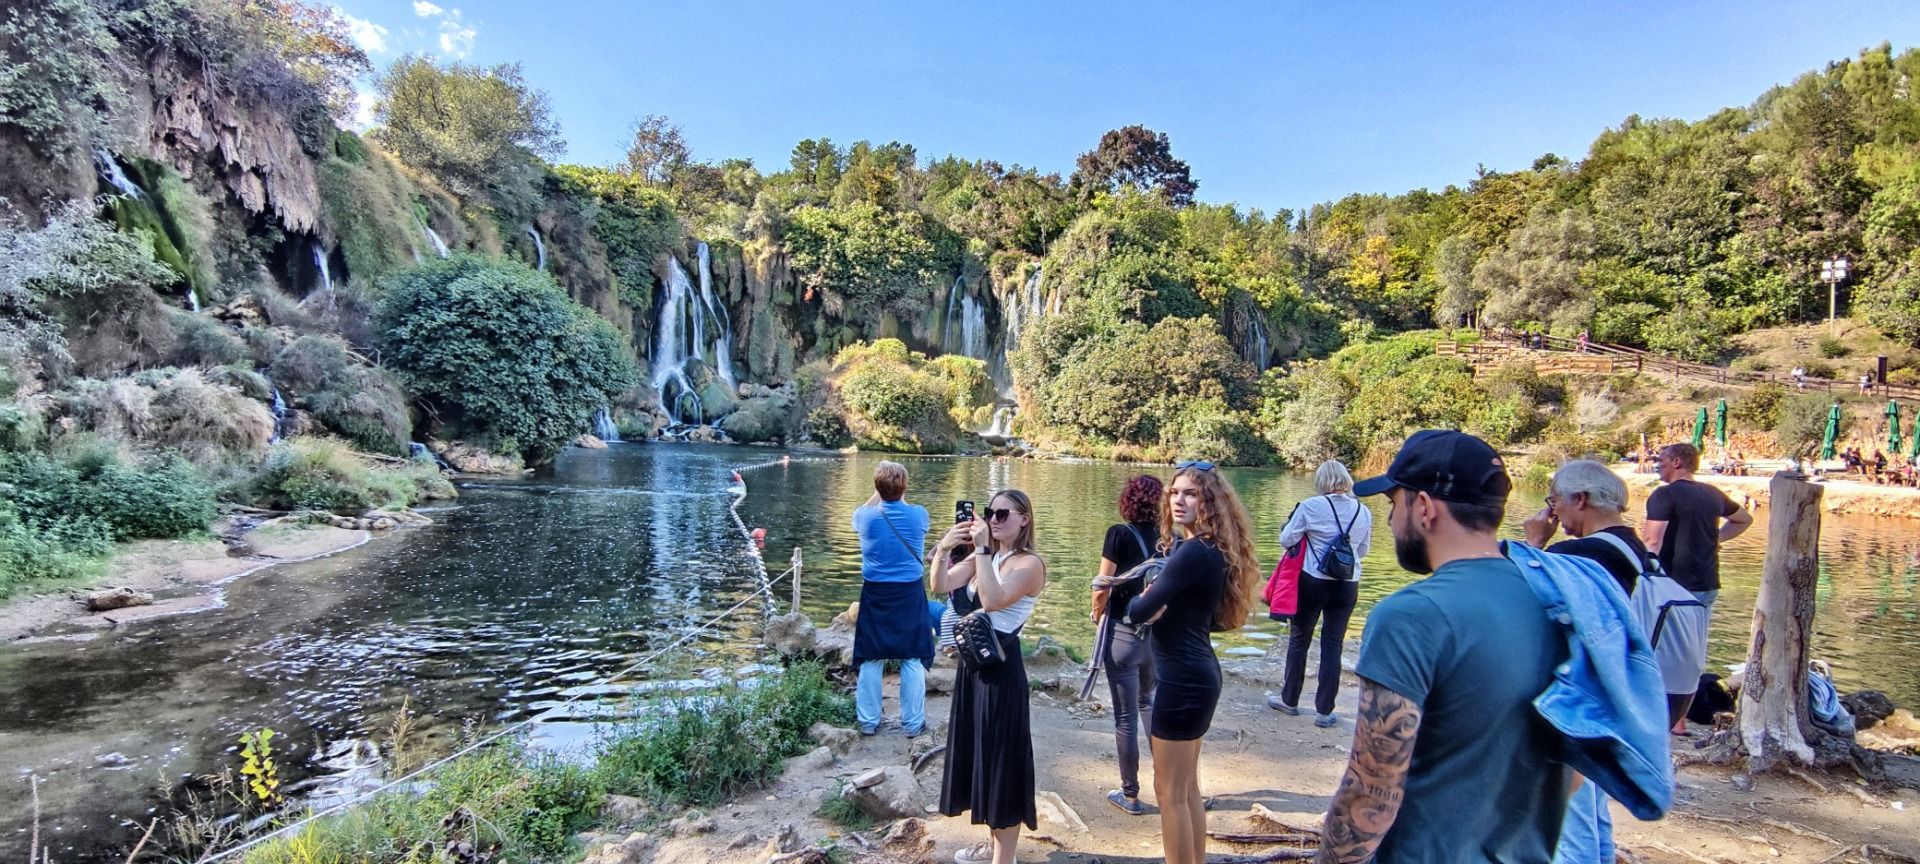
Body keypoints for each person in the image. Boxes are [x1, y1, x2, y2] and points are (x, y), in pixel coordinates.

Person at [1319, 431, 1577, 862]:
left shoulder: (1410, 617)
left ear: (1423, 507)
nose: (1390, 521)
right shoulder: (1563, 602)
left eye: (1393, 504)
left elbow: (1370, 793)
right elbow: (1576, 772)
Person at [1125, 461, 1260, 864]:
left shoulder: (1192, 552)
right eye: (1174, 492)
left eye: (1190, 494)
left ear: (1209, 501)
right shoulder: (1212, 549)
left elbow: (1137, 611)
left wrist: (1145, 599)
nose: (1178, 500)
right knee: (1186, 790)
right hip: (1199, 674)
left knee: (1168, 792)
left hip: (1182, 681)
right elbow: (1213, 619)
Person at [1523, 460, 1708, 727]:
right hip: (1652, 695)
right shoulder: (1639, 551)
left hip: (1598, 702)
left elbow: (1517, 603)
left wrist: (1534, 544)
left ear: (1580, 499)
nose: (1553, 511)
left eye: (1554, 501)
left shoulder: (1574, 557)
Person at [930, 490, 1047, 864]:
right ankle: (992, 844)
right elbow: (940, 585)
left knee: (1002, 764)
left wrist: (981, 549)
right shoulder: (990, 556)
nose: (993, 520)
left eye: (1002, 514)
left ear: (1024, 519)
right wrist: (945, 547)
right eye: (989, 513)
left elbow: (993, 599)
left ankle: (1004, 857)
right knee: (980, 756)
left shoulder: (1029, 565)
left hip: (1002, 672)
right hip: (973, 668)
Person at [1269, 459, 1372, 726]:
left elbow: (1286, 539)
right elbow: (1362, 551)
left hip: (1312, 581)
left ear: (1322, 481)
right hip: (1347, 584)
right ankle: (1325, 711)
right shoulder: (1363, 511)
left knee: (1299, 640)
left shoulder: (1311, 506)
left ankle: (1289, 700)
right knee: (1333, 645)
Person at [1088, 474, 1162, 816]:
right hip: (1154, 636)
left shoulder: (1118, 534)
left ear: (1128, 500)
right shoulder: (1170, 539)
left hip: (1122, 633)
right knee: (1150, 705)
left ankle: (1130, 795)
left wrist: (1096, 612)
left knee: (1125, 718)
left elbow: (1102, 584)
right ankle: (1172, 785)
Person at [850, 461, 933, 736]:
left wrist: (879, 491)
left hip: (875, 592)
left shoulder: (864, 517)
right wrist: (895, 491)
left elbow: (864, 511)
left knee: (871, 657)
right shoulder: (919, 515)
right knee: (912, 656)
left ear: (876, 487)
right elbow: (902, 505)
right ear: (905, 486)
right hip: (909, 593)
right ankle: (912, 724)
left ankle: (868, 722)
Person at [1642, 443, 1753, 612]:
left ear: (1676, 462)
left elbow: (1652, 541)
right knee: (1698, 630)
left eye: (1661, 460)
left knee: (1663, 630)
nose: (1658, 465)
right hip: (1707, 585)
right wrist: (1716, 538)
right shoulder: (1713, 493)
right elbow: (1744, 519)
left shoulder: (1663, 494)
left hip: (1673, 586)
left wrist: (1640, 577)